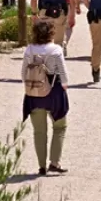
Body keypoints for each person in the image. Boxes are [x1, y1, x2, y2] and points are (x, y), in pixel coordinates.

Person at [22, 19, 70, 176]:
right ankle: (54, 162)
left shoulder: (29, 50)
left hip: (34, 93)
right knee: (60, 126)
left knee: (39, 131)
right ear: (51, 32)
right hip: (53, 92)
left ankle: (41, 166)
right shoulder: (56, 50)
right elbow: (62, 72)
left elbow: (23, 73)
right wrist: (65, 86)